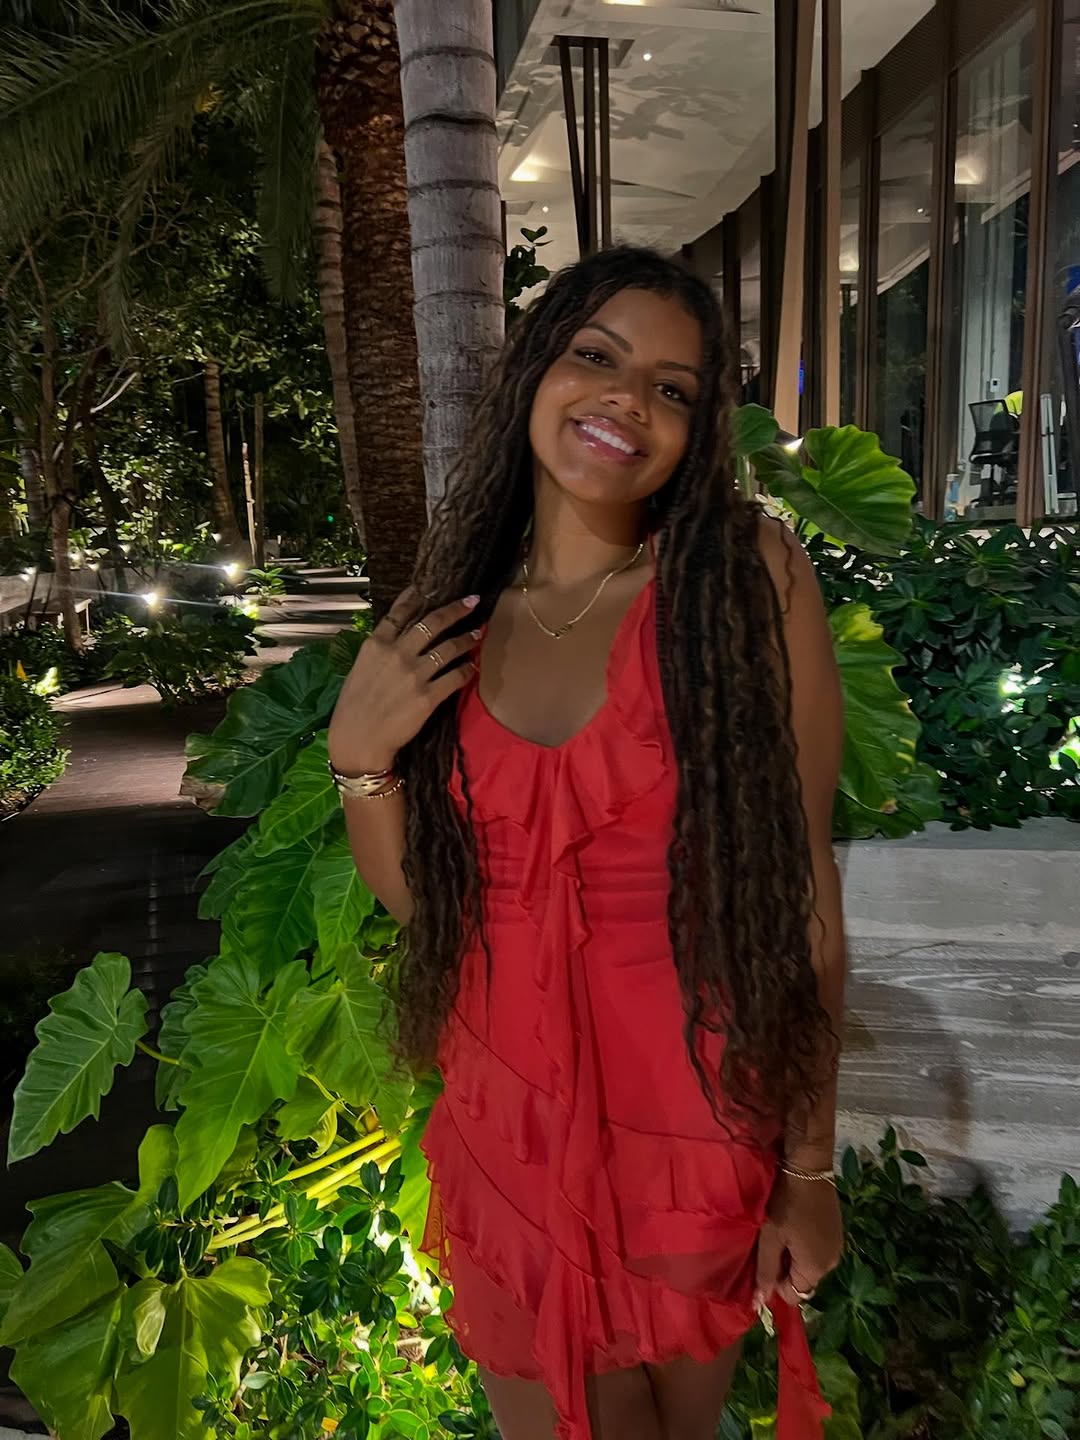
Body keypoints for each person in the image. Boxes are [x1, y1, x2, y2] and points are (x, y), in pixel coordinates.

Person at [327, 247, 846, 1440]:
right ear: (536, 371)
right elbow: (437, 913)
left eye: (673, 389)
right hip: (511, 1115)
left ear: (698, 433)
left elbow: (806, 896)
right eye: (597, 356)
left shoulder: (738, 581)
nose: (626, 399)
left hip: (693, 1110)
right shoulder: (456, 616)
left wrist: (810, 1169)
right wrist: (359, 760)